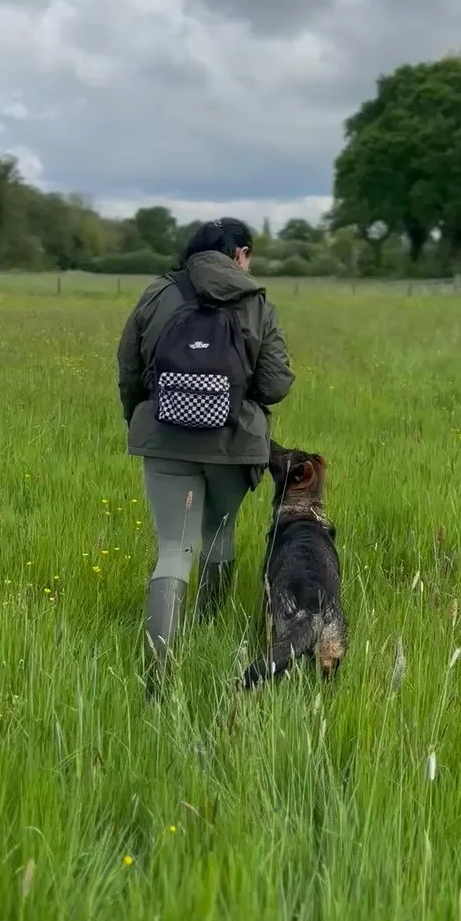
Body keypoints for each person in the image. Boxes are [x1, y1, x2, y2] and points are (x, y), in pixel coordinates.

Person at [117, 217, 294, 683]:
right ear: (240, 254)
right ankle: (207, 628)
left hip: (164, 436)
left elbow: (129, 368)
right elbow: (276, 384)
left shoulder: (157, 293)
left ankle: (157, 671)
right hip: (234, 441)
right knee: (220, 536)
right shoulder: (256, 302)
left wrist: (141, 420)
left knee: (173, 550)